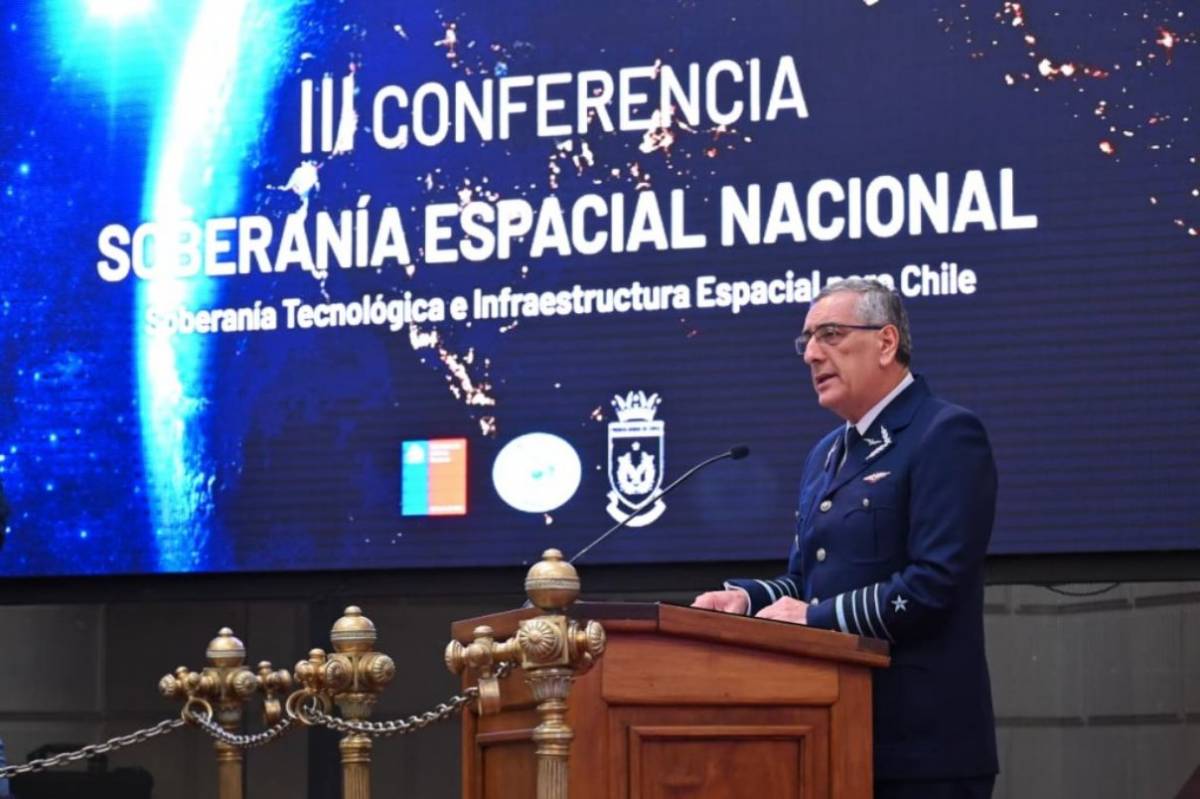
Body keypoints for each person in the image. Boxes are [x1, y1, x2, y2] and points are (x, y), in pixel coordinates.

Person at [693, 278, 998, 799]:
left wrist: (814, 620)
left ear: (885, 342)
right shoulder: (827, 454)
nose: (812, 354)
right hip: (832, 732)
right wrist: (747, 602)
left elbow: (934, 585)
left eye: (830, 335)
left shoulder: (945, 433)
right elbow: (806, 581)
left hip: (922, 750)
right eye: (807, 340)